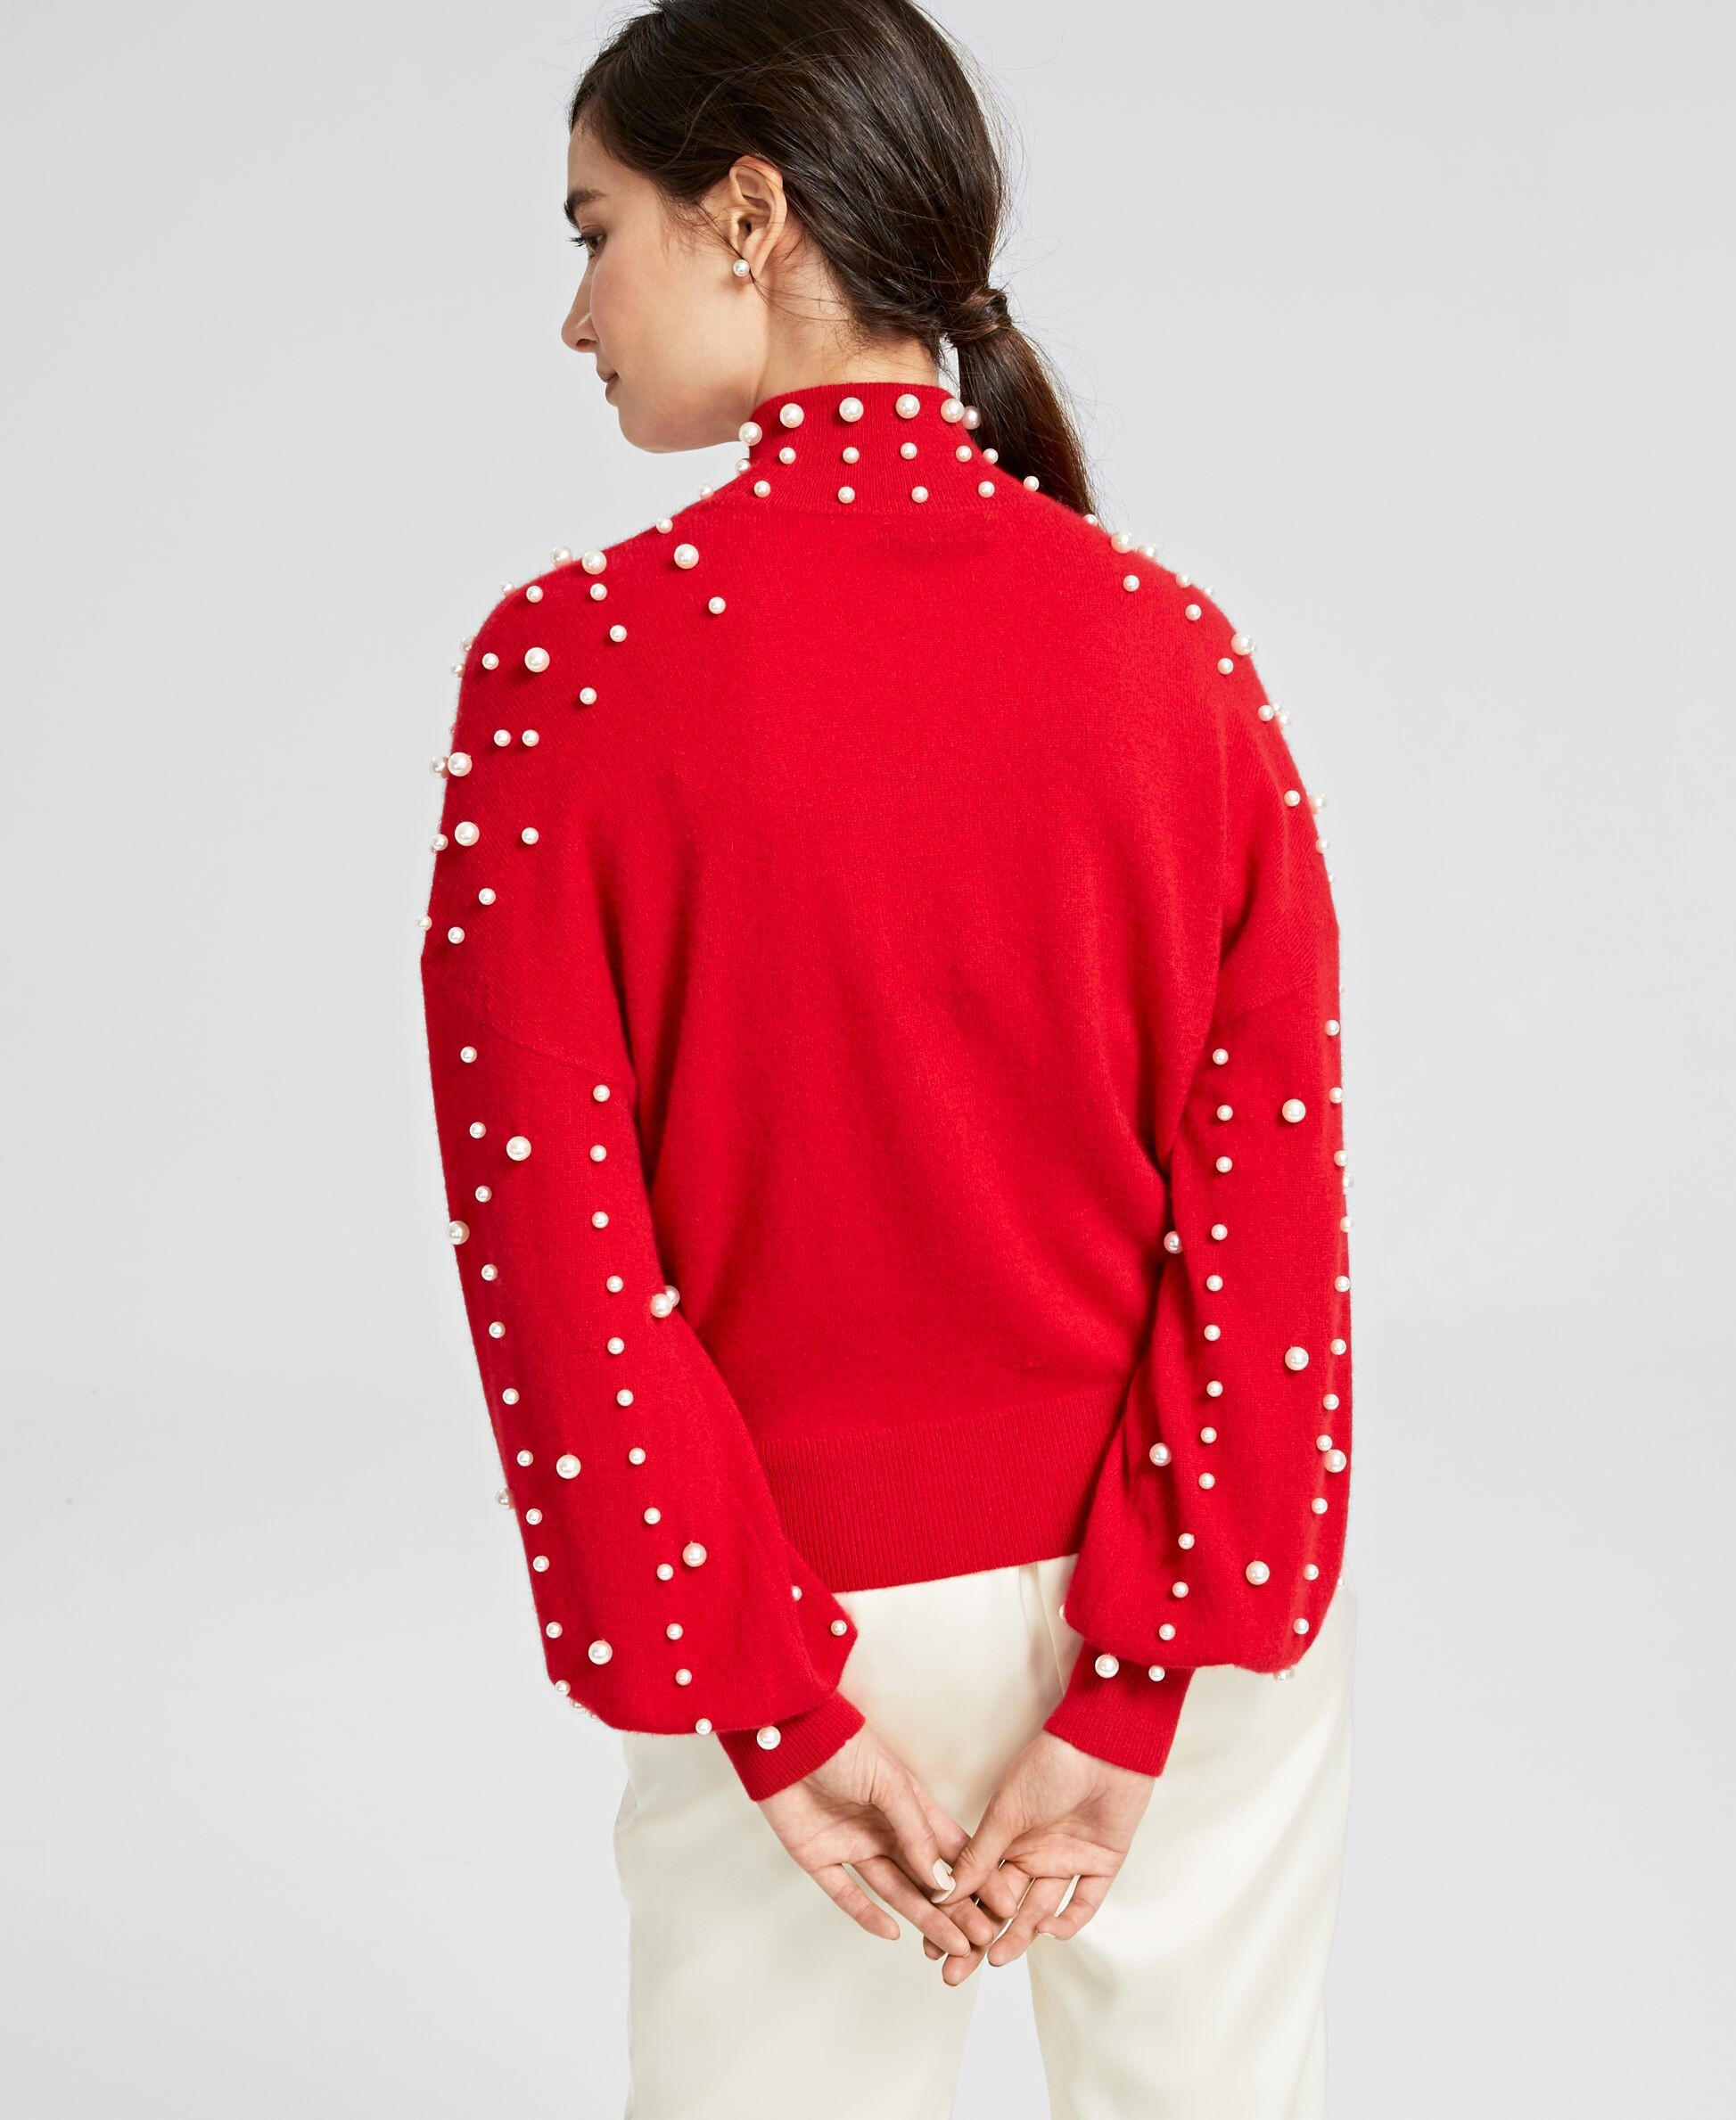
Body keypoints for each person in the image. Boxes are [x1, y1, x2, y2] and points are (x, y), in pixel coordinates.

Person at [416, 2, 1358, 2112]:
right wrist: (1140, 1675)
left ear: (746, 214)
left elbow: (558, 1257)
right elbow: (1264, 1224)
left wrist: (759, 1693)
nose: (574, 313)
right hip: (1176, 1609)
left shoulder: (569, 672)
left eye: (593, 230)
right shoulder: (1174, 652)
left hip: (800, 1612)